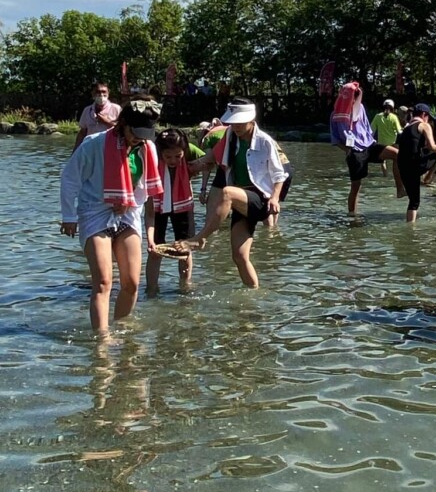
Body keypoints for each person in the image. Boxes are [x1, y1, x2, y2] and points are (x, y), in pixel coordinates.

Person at [60, 99, 163, 333]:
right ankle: (102, 340)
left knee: (132, 283)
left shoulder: (148, 147)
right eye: (134, 133)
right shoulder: (93, 144)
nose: (139, 138)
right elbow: (69, 178)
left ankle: (122, 331)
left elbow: (143, 189)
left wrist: (128, 204)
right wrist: (69, 216)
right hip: (95, 211)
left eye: (144, 134)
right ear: (122, 124)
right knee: (104, 281)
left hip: (128, 213)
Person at [186, 98, 289, 287]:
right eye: (233, 122)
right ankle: (254, 295)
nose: (237, 126)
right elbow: (210, 158)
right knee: (239, 256)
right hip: (243, 202)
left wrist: (275, 198)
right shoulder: (230, 137)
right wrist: (192, 166)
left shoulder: (265, 141)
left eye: (241, 122)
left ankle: (200, 238)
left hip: (260, 199)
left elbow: (279, 174)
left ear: (251, 120)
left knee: (227, 192)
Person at [330, 82, 403, 214]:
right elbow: (335, 138)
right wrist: (347, 150)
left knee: (397, 154)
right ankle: (352, 215)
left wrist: (373, 141)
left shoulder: (360, 107)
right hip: (354, 151)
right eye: (354, 95)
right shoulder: (336, 114)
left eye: (357, 96)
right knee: (356, 186)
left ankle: (399, 189)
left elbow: (366, 127)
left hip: (369, 145)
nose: (356, 98)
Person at [146, 129, 198, 292]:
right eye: (168, 157)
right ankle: (151, 289)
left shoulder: (190, 151)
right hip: (157, 204)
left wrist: (196, 169)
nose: (173, 160)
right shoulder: (151, 159)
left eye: (178, 156)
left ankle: (185, 286)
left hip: (183, 205)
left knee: (185, 248)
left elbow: (210, 159)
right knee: (155, 250)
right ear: (160, 153)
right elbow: (148, 214)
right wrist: (149, 240)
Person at [396, 103, 436, 222]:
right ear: (424, 115)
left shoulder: (406, 128)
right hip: (415, 165)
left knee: (414, 201)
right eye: (428, 116)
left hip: (402, 167)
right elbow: (432, 146)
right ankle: (428, 179)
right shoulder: (424, 125)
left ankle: (410, 228)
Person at [74, 83, 122, 151]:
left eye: (104, 92)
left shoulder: (116, 109)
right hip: (90, 149)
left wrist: (107, 122)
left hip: (110, 149)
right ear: (92, 93)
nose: (101, 94)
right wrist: (75, 151)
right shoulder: (87, 110)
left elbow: (123, 129)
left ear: (108, 92)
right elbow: (82, 133)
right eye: (98, 92)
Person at [371, 99, 402, 176]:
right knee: (396, 159)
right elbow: (399, 131)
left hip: (381, 145)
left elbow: (371, 131)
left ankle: (385, 175)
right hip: (392, 144)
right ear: (393, 108)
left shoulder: (377, 116)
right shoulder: (394, 117)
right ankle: (396, 175)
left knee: (383, 161)